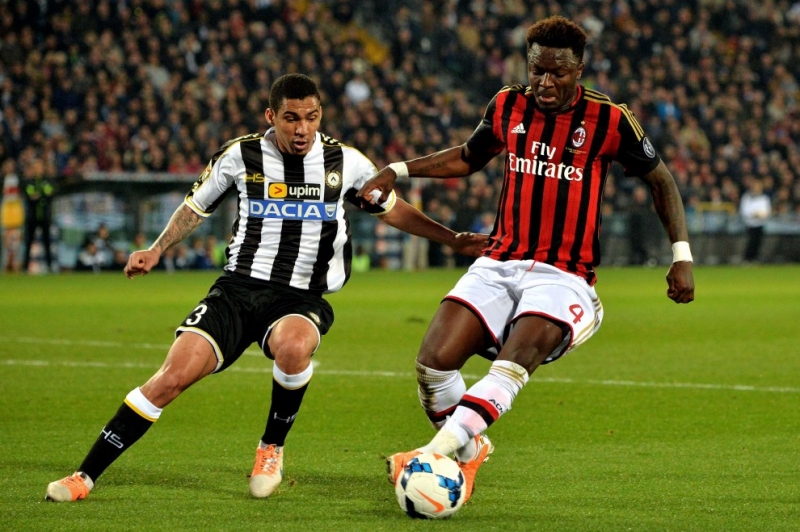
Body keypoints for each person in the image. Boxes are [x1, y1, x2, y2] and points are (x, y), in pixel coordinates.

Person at [45, 74, 486, 502]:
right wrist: (157, 248)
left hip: (301, 297)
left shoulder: (346, 162)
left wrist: (451, 239)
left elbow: (391, 210)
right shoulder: (240, 155)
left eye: (312, 117)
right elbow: (195, 207)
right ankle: (85, 475)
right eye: (292, 118)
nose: (302, 129)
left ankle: (271, 447)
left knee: (294, 346)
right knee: (169, 379)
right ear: (271, 116)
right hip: (236, 290)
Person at [358, 16, 695, 504]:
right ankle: (468, 450)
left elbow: (661, 180)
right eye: (537, 70)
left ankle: (430, 455)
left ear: (579, 70)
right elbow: (469, 157)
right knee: (433, 366)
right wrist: (398, 169)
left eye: (558, 72)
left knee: (511, 364)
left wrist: (681, 255)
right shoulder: (507, 104)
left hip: (564, 275)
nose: (545, 82)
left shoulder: (610, 120)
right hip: (500, 261)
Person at [22, 158, 56, 273]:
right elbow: (30, 196)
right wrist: (43, 197)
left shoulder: (47, 181)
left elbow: (50, 194)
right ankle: (25, 267)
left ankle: (50, 266)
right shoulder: (29, 182)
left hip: (45, 216)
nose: (38, 169)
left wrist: (39, 196)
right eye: (35, 167)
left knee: (47, 242)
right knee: (28, 242)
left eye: (39, 167)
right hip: (32, 216)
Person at [739, 178, 771, 264]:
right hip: (749, 224)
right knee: (750, 242)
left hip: (760, 224)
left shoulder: (764, 198)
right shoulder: (747, 197)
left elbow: (767, 211)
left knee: (758, 242)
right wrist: (755, 214)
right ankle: (747, 259)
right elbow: (744, 211)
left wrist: (760, 215)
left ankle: (754, 259)